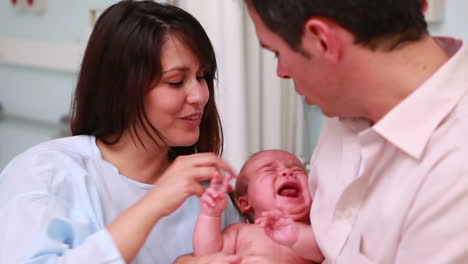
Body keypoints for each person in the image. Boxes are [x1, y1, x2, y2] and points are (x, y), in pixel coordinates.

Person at [0, 1, 243, 263]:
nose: (200, 95)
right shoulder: (46, 172)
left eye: (203, 76)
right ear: (122, 89)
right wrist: (153, 204)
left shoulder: (209, 197)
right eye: (175, 82)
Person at [244, 0, 468, 263]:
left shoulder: (454, 174)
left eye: (276, 53)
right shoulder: (346, 100)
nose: (281, 73)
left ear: (322, 41)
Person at [193, 150, 323, 263]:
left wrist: (297, 237)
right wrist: (211, 215)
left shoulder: (317, 231)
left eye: (297, 169)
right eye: (270, 170)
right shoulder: (240, 232)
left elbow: (331, 252)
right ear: (245, 203)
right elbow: (207, 255)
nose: (287, 172)